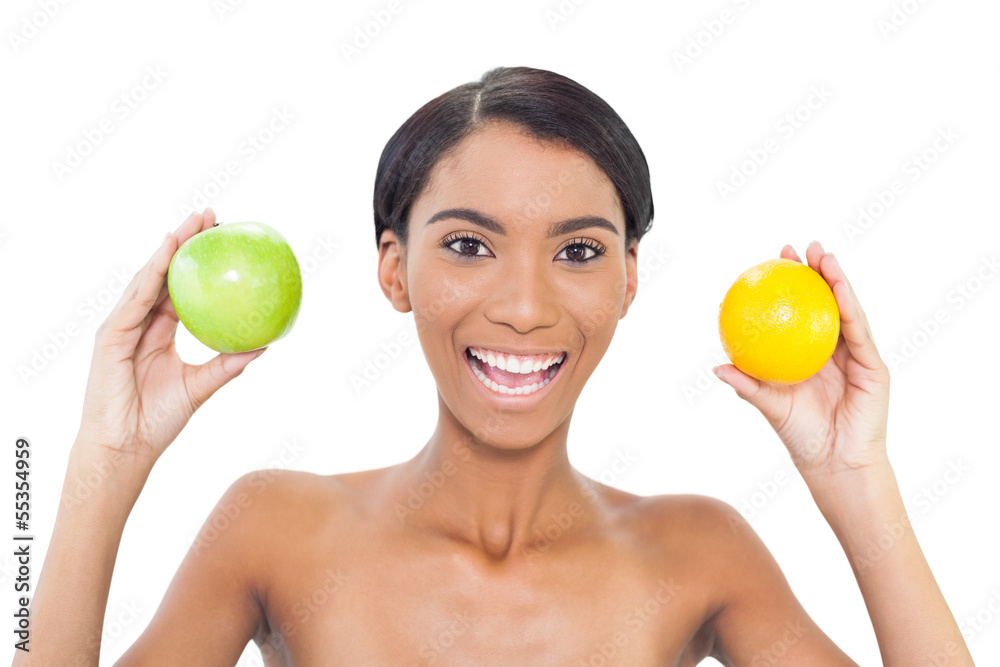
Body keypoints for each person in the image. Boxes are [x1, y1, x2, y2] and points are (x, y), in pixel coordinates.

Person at [17, 66, 973, 666]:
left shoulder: (698, 551)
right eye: (470, 245)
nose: (524, 304)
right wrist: (104, 460)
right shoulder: (274, 527)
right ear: (395, 269)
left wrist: (855, 478)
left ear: (630, 280)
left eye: (579, 250)